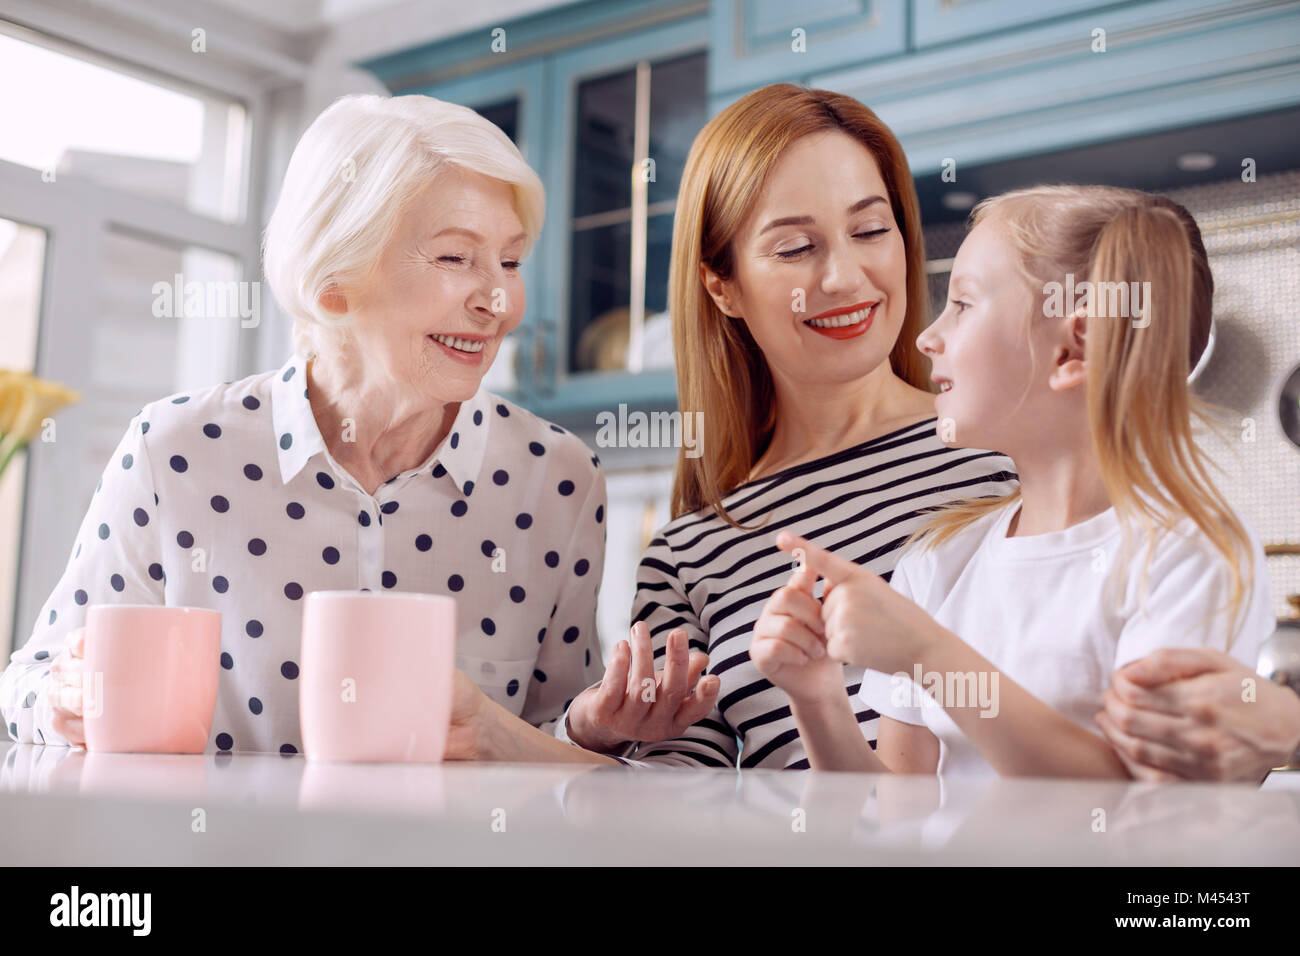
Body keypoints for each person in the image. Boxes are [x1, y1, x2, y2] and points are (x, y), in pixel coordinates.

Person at [1, 94, 611, 762]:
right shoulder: (174, 452)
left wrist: (601, 730)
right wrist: (65, 697)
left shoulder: (557, 479)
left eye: (512, 262)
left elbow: (561, 745)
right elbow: (25, 686)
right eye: (455, 259)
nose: (499, 301)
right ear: (334, 282)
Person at [558, 84, 1018, 767]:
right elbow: (676, 807)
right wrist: (590, 731)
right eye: (796, 247)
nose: (843, 276)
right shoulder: (691, 554)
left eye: (869, 230)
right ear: (723, 284)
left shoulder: (1014, 451)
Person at [758, 184, 1275, 777]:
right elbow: (896, 814)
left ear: (1072, 350)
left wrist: (930, 654)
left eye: (963, 304)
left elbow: (1147, 806)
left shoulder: (1192, 558)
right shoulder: (940, 558)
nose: (929, 336)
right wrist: (817, 697)